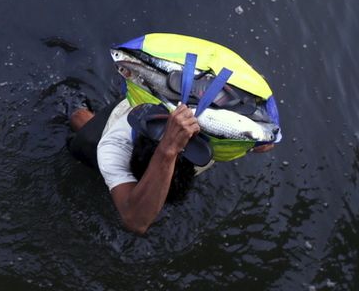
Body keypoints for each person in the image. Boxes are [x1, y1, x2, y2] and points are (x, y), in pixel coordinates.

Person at [68, 98, 275, 235]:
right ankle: (72, 105)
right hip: (124, 119)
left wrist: (256, 141)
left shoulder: (206, 145)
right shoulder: (113, 147)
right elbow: (135, 222)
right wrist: (168, 148)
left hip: (177, 115)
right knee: (80, 122)